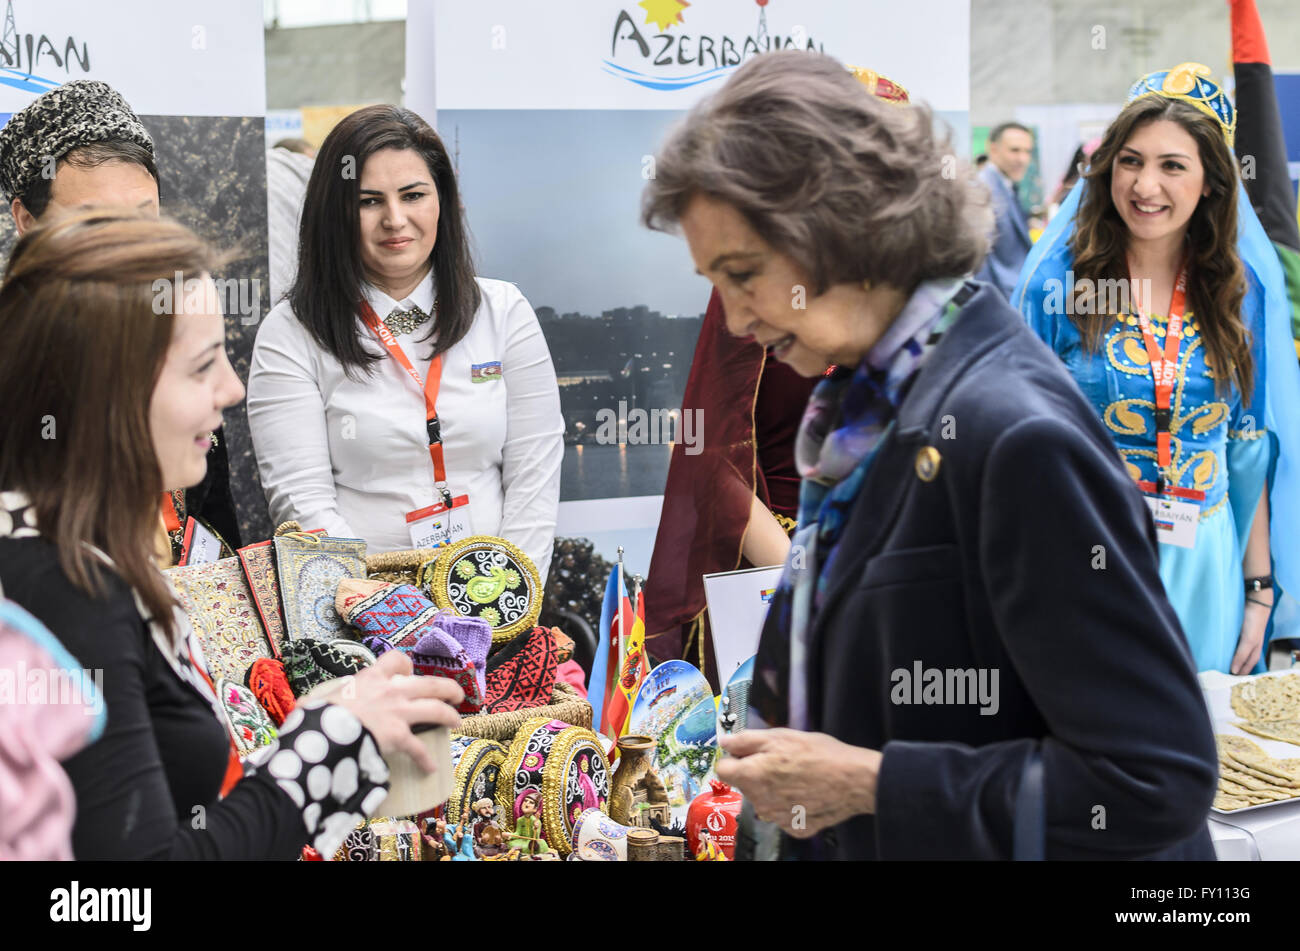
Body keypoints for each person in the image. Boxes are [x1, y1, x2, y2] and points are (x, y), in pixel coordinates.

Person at [642, 50, 1217, 860]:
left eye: (744, 275)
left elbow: (1153, 778)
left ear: (846, 228)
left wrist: (876, 784)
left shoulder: (1016, 437)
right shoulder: (866, 408)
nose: (735, 320)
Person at [0, 211, 464, 859]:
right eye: (201, 366)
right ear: (109, 393)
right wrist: (329, 744)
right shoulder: (68, 589)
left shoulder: (57, 552)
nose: (232, 387)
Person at [1015, 63, 1300, 674]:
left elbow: (1245, 447)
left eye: (1173, 165)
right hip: (1083, 553)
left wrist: (1257, 589)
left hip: (1204, 561)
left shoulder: (1237, 292)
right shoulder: (1058, 285)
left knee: (1200, 752)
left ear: (1210, 183)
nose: (1146, 185)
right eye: (1130, 160)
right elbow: (1012, 437)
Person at [645, 67, 908, 688]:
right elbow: (710, 456)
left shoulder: (933, 300)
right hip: (782, 564)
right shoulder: (756, 282)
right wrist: (803, 574)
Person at [247, 105, 563, 577]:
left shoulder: (504, 311)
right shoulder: (291, 331)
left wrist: (504, 596)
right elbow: (301, 500)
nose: (395, 219)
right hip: (358, 612)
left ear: (442, 201)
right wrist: (381, 612)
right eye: (369, 201)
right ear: (334, 214)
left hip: (494, 601)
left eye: (413, 195)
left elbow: (534, 478)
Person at [0, 79, 242, 562]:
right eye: (96, 222)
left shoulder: (181, 336)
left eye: (143, 216)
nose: (130, 244)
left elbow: (220, 532)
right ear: (27, 221)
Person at [974, 121, 1035, 299]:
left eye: (1027, 152)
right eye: (1015, 150)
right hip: (998, 298)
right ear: (993, 150)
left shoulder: (1005, 185)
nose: (1022, 159)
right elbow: (980, 260)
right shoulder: (983, 189)